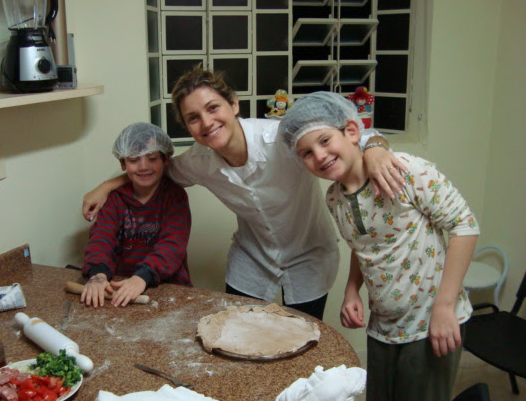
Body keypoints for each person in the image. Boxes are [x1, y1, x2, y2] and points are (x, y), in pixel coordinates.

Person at [82, 66, 406, 320]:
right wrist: (107, 185)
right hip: (252, 258)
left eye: (213, 108)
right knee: (239, 336)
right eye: (193, 118)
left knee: (301, 338)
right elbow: (152, 169)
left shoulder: (281, 137)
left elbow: (356, 136)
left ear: (234, 104)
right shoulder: (197, 161)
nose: (207, 122)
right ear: (187, 127)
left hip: (310, 255)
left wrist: (376, 150)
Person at [278, 91, 479, 401]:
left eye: (325, 141)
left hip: (429, 323)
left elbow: (465, 226)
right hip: (383, 326)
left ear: (351, 131)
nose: (319, 156)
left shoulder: (404, 170)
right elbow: (363, 242)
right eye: (306, 152)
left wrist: (445, 306)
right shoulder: (335, 199)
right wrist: (352, 289)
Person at [81, 122, 192, 308]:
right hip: (121, 286)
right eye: (134, 160)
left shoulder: (174, 196)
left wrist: (142, 277)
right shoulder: (115, 199)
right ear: (122, 163)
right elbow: (102, 239)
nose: (143, 167)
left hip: (169, 287)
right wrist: (98, 273)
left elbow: (172, 245)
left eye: (152, 158)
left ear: (165, 160)